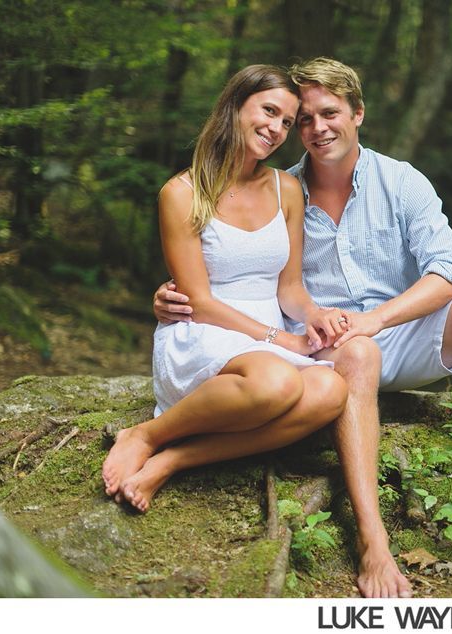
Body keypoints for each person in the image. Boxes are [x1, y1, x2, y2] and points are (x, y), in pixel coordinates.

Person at [154, 58, 452, 598]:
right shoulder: (279, 189)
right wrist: (170, 297)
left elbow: (451, 272)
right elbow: (250, 277)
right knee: (357, 354)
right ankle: (373, 541)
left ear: (358, 114)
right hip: (328, 350)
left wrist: (378, 318)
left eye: (330, 113)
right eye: (304, 119)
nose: (316, 128)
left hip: (401, 331)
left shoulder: (400, 180)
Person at [103, 65, 347, 517]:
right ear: (235, 106)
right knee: (276, 382)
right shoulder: (181, 192)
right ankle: (145, 434)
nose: (276, 129)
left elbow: (289, 288)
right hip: (203, 331)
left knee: (331, 390)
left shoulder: (287, 188)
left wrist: (312, 314)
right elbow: (198, 301)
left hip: (264, 341)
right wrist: (277, 339)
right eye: (269, 111)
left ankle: (174, 459)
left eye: (287, 122)